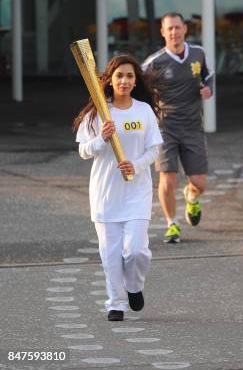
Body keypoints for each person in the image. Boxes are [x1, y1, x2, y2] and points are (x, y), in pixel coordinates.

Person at [73, 55, 163, 321]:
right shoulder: (97, 114)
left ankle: (134, 286)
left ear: (136, 81)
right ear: (110, 80)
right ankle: (116, 303)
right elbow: (84, 151)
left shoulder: (144, 111)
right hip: (105, 192)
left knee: (136, 250)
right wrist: (102, 139)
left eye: (130, 76)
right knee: (110, 253)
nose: (124, 80)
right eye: (120, 76)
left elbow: (154, 149)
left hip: (136, 191)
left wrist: (135, 165)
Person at [142, 12, 214, 243]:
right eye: (169, 29)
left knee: (200, 183)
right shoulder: (154, 62)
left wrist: (207, 89)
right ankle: (171, 224)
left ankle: (191, 197)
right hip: (165, 128)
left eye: (177, 27)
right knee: (168, 178)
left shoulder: (198, 53)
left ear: (185, 29)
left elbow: (209, 75)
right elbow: (138, 86)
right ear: (163, 32)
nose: (174, 32)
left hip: (192, 126)